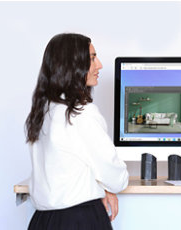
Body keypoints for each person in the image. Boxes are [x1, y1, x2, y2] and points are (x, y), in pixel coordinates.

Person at [25, 33, 129, 230]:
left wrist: (99, 188)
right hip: (79, 220)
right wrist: (107, 187)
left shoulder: (43, 111)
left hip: (42, 221)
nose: (99, 65)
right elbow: (116, 178)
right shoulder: (81, 113)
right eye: (91, 58)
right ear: (72, 66)